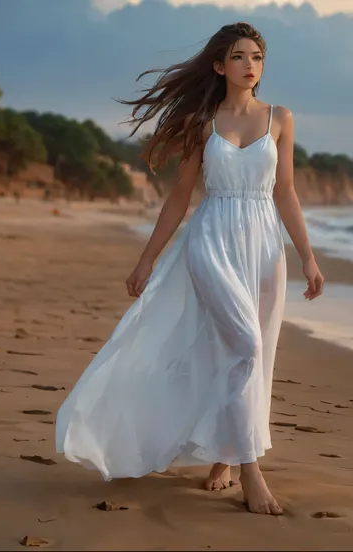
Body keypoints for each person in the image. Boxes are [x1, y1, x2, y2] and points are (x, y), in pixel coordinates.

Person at [54, 22, 324, 516]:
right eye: (240, 57)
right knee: (246, 343)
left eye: (258, 57)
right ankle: (250, 470)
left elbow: (285, 191)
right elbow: (179, 198)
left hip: (264, 246)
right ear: (220, 66)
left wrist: (306, 255)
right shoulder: (203, 122)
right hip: (213, 239)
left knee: (251, 355)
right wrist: (147, 258)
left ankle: (223, 451)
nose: (251, 65)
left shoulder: (279, 118)